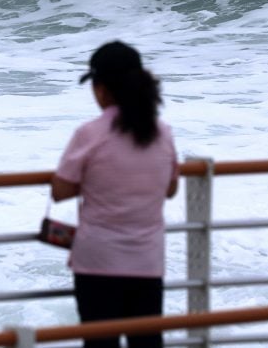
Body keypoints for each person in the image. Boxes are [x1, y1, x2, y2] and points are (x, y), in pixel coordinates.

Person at [51, 41, 179, 348]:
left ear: (102, 89)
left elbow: (60, 190)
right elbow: (171, 188)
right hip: (147, 261)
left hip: (98, 262)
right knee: (146, 343)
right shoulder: (161, 132)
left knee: (100, 344)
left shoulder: (90, 133)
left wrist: (95, 181)